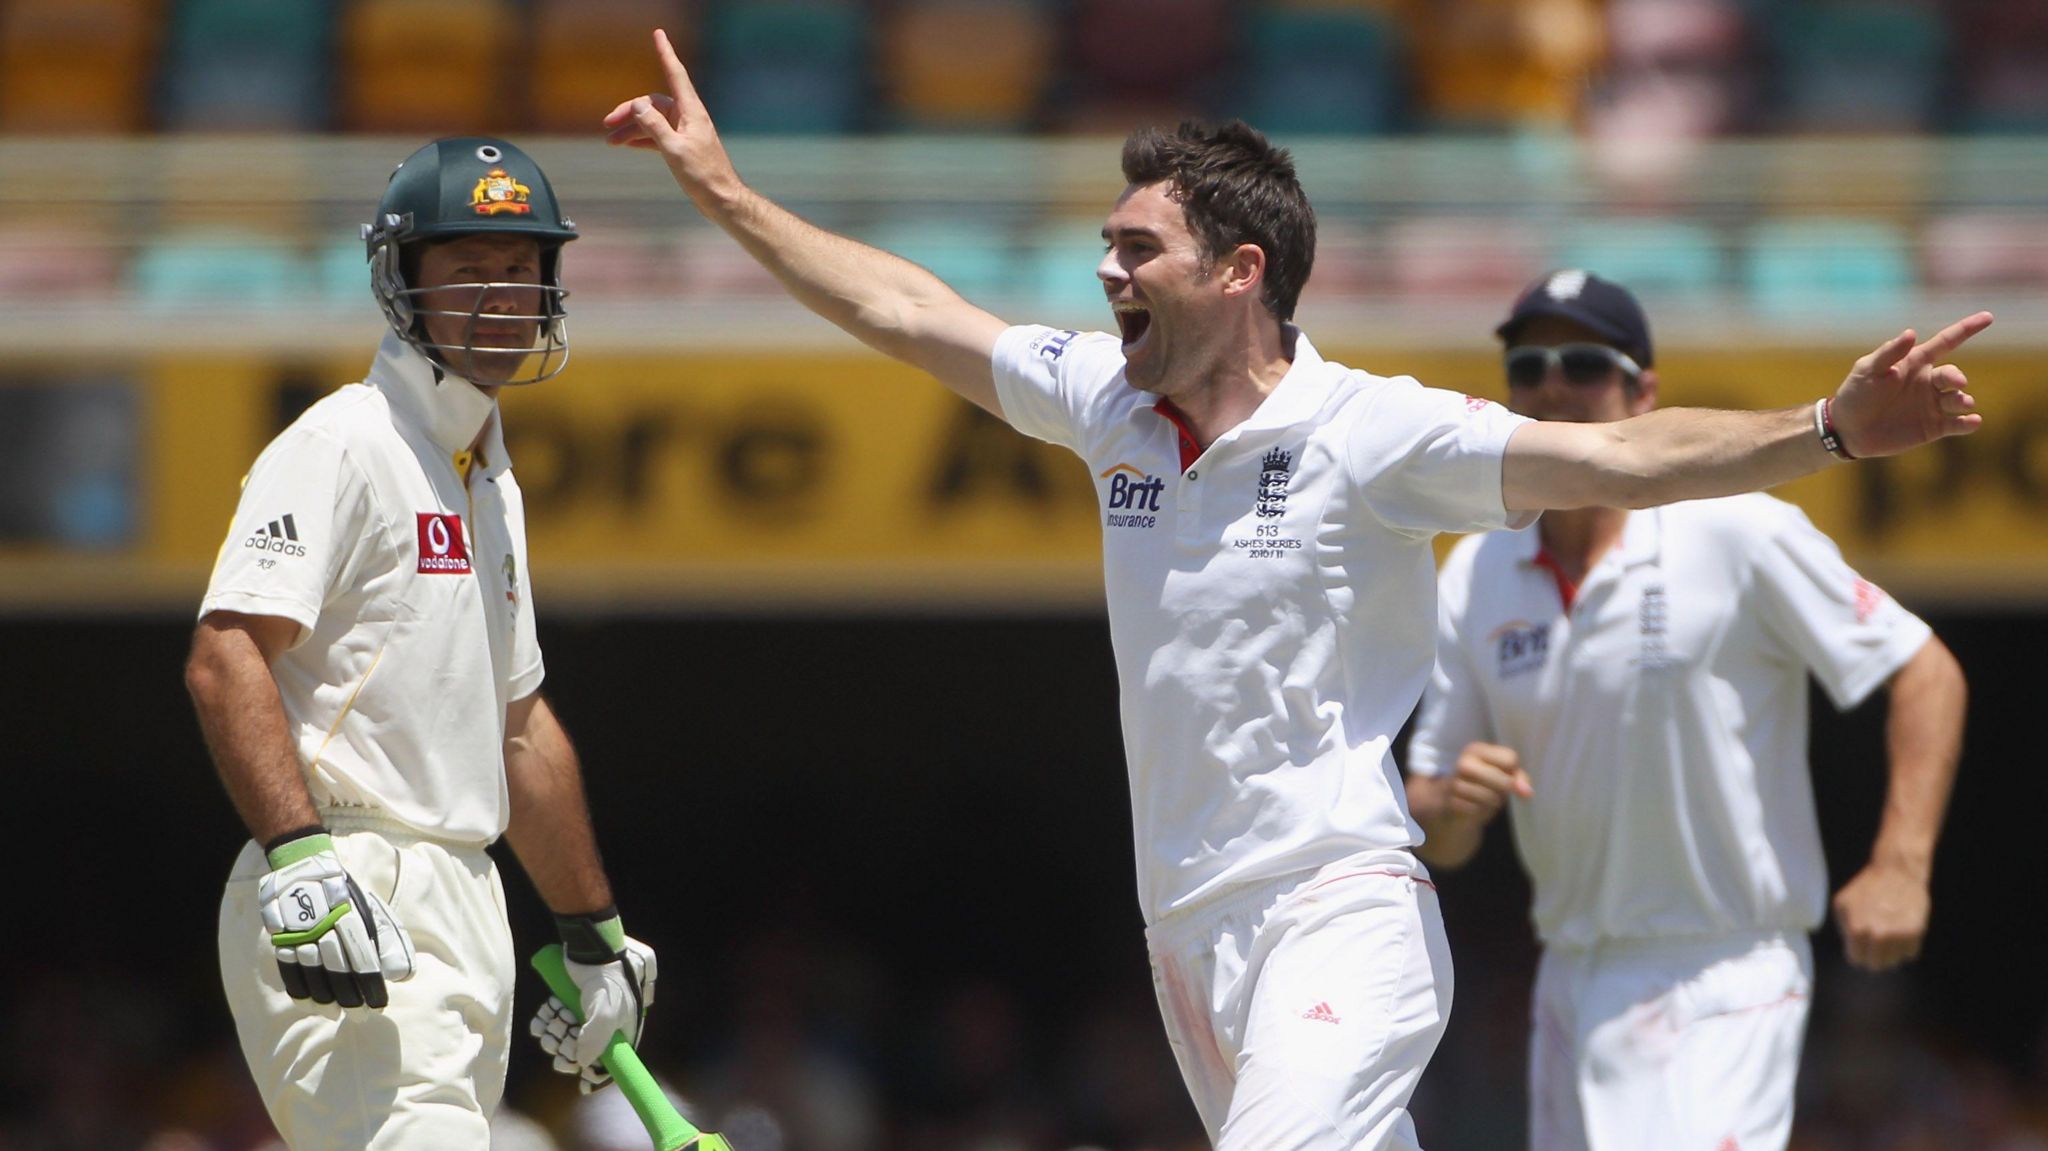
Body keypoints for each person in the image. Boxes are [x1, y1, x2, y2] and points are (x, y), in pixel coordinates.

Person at [602, 30, 1987, 1150]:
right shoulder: (1108, 404)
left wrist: (1828, 427)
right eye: (1106, 245)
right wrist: (721, 192)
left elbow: (1615, 452)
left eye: (1137, 249)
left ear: (1239, 269)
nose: (1105, 271)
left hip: (1338, 906)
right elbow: (905, 312)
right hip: (1186, 931)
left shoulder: (1374, 434)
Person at [1402, 271, 1968, 1151]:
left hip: (1725, 971)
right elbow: (1440, 827)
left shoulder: (1738, 529)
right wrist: (1447, 804)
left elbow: (1924, 668)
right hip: (1571, 977)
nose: (1552, 386)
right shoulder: (1473, 570)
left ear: (1645, 393)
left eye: (1584, 362)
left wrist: (1901, 859)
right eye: (1528, 364)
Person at [184, 136, 658, 1149]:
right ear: (401, 279)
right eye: (468, 266)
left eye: (525, 265)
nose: (504, 291)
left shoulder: (486, 473)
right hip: (347, 879)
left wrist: (593, 933)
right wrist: (300, 857)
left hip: (468, 895)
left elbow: (518, 728)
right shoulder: (342, 440)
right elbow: (226, 653)